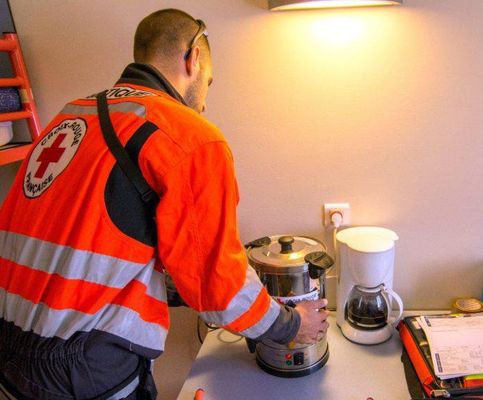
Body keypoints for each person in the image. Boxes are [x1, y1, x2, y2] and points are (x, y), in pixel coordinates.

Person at [0, 9, 329, 400]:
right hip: (81, 370)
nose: (204, 104)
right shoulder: (190, 138)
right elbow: (218, 286)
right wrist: (292, 326)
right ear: (193, 59)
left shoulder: (73, 115)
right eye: (208, 83)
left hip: (8, 348)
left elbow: (100, 238)